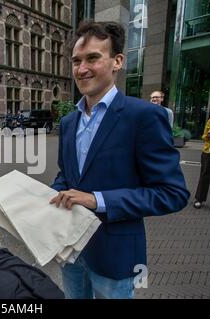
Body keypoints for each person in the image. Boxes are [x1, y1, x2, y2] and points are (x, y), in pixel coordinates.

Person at [50, 21, 189, 299]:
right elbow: (67, 176)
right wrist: (47, 198)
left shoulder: (144, 117)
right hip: (70, 250)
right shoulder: (67, 122)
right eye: (76, 60)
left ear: (117, 61)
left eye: (93, 58)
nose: (82, 68)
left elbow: (172, 193)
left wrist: (97, 200)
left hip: (115, 257)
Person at [193, 104, 210, 209]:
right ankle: (199, 199)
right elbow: (204, 135)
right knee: (204, 175)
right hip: (209, 152)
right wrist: (208, 136)